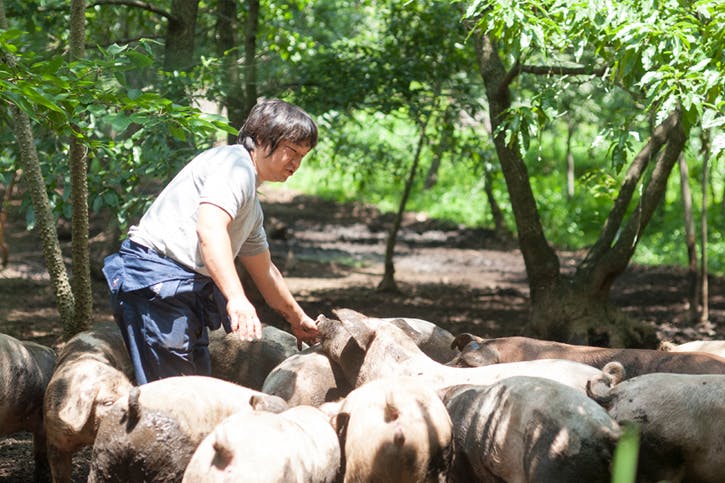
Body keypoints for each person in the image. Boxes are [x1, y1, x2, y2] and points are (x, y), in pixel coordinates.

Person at [102, 98, 320, 385]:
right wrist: (237, 299)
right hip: (156, 285)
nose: (296, 163)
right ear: (261, 139)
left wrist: (297, 318)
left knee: (197, 391)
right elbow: (210, 230)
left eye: (303, 156)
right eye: (291, 151)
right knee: (175, 398)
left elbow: (266, 271)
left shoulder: (251, 205)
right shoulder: (234, 167)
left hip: (183, 292)